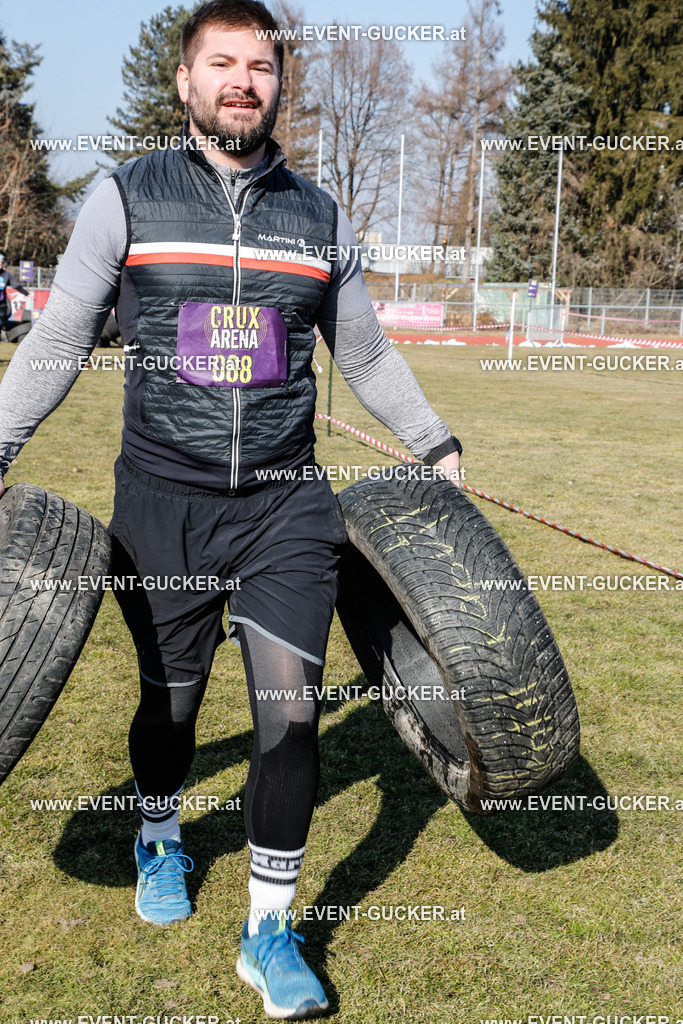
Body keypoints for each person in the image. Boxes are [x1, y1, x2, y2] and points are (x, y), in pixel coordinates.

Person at [0, 1, 462, 1018]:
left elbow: (369, 354)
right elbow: (59, 339)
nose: (242, 80)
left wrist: (435, 443)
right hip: (159, 500)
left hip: (284, 508)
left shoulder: (320, 216)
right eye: (222, 63)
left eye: (259, 64)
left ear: (278, 84)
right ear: (186, 81)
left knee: (289, 718)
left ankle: (269, 928)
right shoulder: (126, 199)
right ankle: (159, 829)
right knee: (169, 703)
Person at [0, 254, 29, 339]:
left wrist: (27, 294)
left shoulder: (6, 275)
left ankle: (3, 334)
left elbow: (16, 286)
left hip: (2, 305)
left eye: (1, 263)